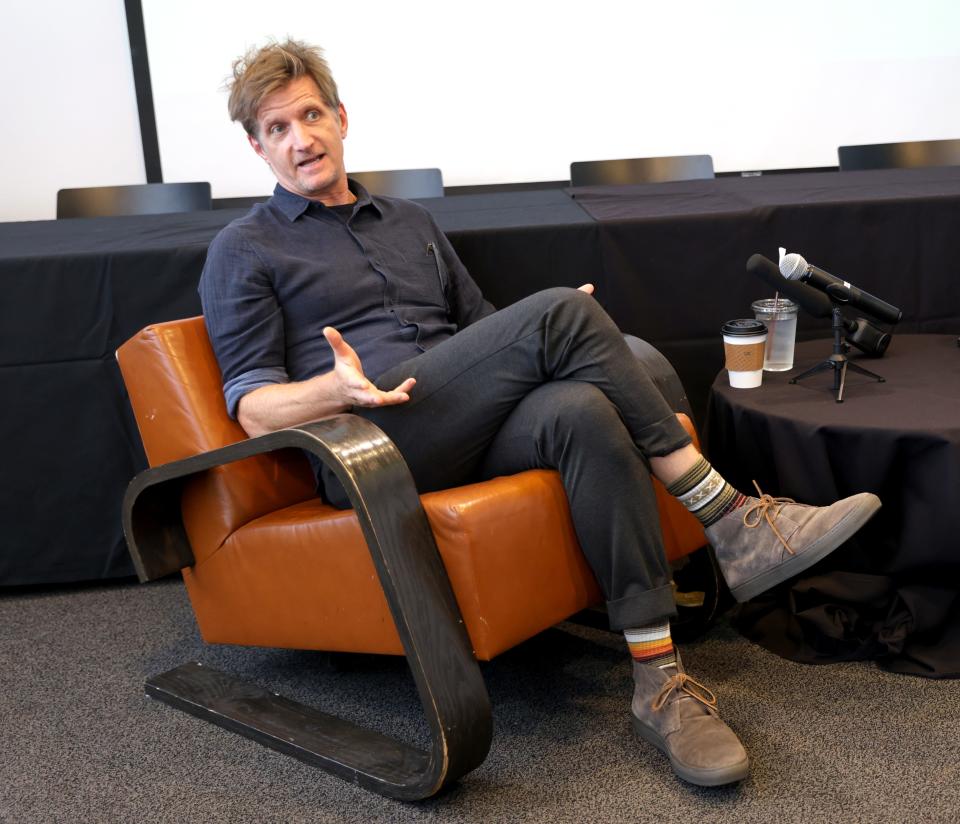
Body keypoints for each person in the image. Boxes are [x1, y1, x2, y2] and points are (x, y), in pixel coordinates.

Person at [199, 39, 881, 788]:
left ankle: (659, 682)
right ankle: (730, 517)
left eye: (310, 115)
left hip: (455, 417)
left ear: (341, 117)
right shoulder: (244, 248)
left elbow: (479, 328)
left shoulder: (410, 222)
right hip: (367, 441)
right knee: (563, 319)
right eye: (277, 129)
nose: (301, 139)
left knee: (590, 401)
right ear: (257, 148)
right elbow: (255, 408)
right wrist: (337, 391)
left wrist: (558, 339)